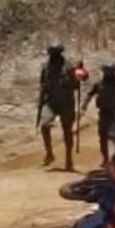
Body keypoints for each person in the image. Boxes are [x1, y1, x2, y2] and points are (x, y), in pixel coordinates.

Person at [81, 61, 115, 167]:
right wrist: (85, 104)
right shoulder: (99, 84)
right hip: (104, 112)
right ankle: (105, 159)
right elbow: (90, 94)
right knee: (103, 136)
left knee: (114, 134)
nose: (108, 73)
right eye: (106, 71)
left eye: (110, 71)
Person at [37, 42, 79, 171]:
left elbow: (79, 80)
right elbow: (42, 84)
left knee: (67, 131)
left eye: (55, 54)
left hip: (66, 103)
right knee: (44, 125)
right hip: (51, 102)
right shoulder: (46, 67)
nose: (53, 56)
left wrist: (81, 73)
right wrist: (40, 101)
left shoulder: (69, 66)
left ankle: (68, 159)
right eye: (51, 54)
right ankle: (49, 153)